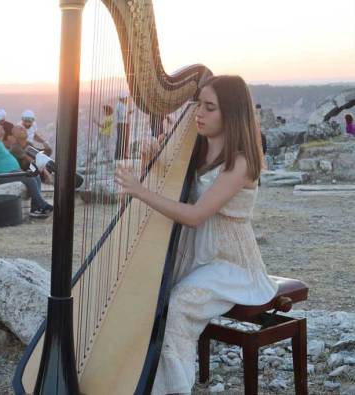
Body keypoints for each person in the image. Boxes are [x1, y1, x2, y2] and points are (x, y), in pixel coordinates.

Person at [115, 75, 277, 395]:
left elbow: (194, 215)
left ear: (231, 113)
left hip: (230, 264)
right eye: (197, 105)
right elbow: (176, 192)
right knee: (144, 296)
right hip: (196, 255)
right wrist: (152, 161)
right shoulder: (195, 149)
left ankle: (174, 389)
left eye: (209, 107)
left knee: (176, 307)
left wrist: (139, 190)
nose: (198, 114)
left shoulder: (241, 161)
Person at [0, 122, 52, 217]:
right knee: (29, 177)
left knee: (35, 176)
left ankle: (35, 209)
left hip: (11, 173)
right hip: (3, 175)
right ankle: (42, 204)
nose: (1, 126)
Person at [115, 96, 129, 160]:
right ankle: (119, 156)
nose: (126, 100)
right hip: (121, 124)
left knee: (122, 140)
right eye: (126, 99)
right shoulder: (120, 105)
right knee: (121, 140)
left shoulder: (121, 105)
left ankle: (121, 155)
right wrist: (128, 113)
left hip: (122, 124)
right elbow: (122, 115)